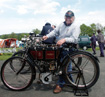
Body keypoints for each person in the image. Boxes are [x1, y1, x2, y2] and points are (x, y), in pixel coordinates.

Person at [43, 10, 80, 93]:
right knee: (63, 66)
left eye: (70, 17)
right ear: (65, 17)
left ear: (73, 18)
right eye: (67, 17)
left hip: (69, 48)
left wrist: (64, 40)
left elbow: (74, 39)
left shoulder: (75, 26)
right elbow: (55, 32)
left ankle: (60, 84)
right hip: (61, 47)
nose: (68, 18)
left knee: (64, 67)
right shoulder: (61, 25)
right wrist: (47, 36)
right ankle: (71, 83)